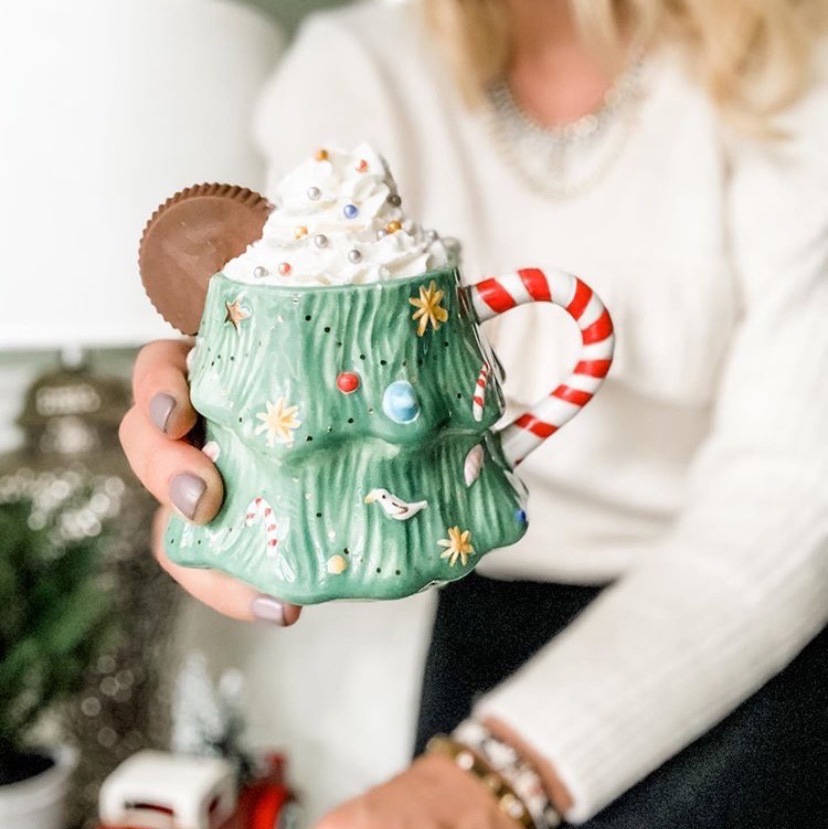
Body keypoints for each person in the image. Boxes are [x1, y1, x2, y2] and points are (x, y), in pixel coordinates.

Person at [120, 0, 828, 825]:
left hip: (747, 633)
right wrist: (216, 460)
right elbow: (296, 315)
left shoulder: (790, 73)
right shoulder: (355, 69)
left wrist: (489, 776)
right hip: (478, 611)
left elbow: (796, 490)